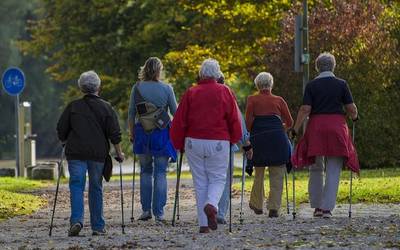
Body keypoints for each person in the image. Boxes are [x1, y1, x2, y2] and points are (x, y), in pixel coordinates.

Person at [170, 59, 242, 233]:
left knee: (200, 181)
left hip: (194, 141)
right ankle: (212, 204)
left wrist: (178, 143)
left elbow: (179, 121)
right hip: (218, 140)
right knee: (218, 178)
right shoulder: (225, 91)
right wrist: (234, 138)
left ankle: (203, 224)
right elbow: (234, 118)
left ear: (201, 74)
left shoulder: (191, 92)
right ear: (217, 74)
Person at [290, 52, 359, 218]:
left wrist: (295, 128)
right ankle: (327, 208)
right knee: (333, 167)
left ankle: (317, 207)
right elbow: (351, 108)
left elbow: (305, 109)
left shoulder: (312, 85)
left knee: (316, 166)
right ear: (333, 66)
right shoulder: (341, 84)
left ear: (317, 67)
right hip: (336, 127)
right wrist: (355, 117)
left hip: (316, 127)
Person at [57, 70, 124, 236]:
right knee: (96, 187)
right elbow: (114, 133)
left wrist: (64, 141)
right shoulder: (107, 108)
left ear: (81, 88)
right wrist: (119, 153)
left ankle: (77, 221)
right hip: (97, 154)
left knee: (76, 186)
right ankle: (98, 226)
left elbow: (61, 128)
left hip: (76, 153)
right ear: (98, 87)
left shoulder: (73, 107)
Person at [128, 57, 178, 222]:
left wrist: (131, 133)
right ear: (159, 70)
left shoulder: (137, 88)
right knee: (161, 172)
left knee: (145, 170)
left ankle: (146, 210)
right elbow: (175, 113)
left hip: (142, 132)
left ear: (145, 69)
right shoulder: (167, 88)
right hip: (161, 133)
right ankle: (160, 212)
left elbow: (131, 113)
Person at [245, 72, 293, 218]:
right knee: (277, 173)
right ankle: (274, 208)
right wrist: (280, 129)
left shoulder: (252, 100)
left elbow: (248, 125)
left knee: (259, 172)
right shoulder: (279, 100)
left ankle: (257, 204)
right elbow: (290, 122)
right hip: (277, 140)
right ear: (271, 84)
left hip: (259, 140)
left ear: (257, 85)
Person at [215, 75, 251, 225]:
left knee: (209, 179)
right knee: (225, 179)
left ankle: (209, 210)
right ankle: (221, 213)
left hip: (202, 143)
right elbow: (238, 120)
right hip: (225, 143)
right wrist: (246, 143)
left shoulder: (197, 94)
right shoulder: (228, 95)